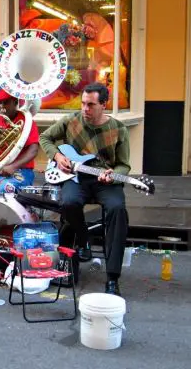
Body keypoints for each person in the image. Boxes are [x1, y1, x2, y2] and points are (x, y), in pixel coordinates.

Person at [39, 82, 130, 296]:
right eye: (83, 104)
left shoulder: (118, 129)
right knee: (68, 202)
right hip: (75, 176)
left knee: (118, 210)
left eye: (91, 105)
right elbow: (45, 138)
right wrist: (58, 156)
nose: (85, 109)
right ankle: (83, 241)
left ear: (103, 105)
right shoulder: (71, 121)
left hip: (104, 181)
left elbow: (124, 165)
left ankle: (112, 278)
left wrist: (112, 174)